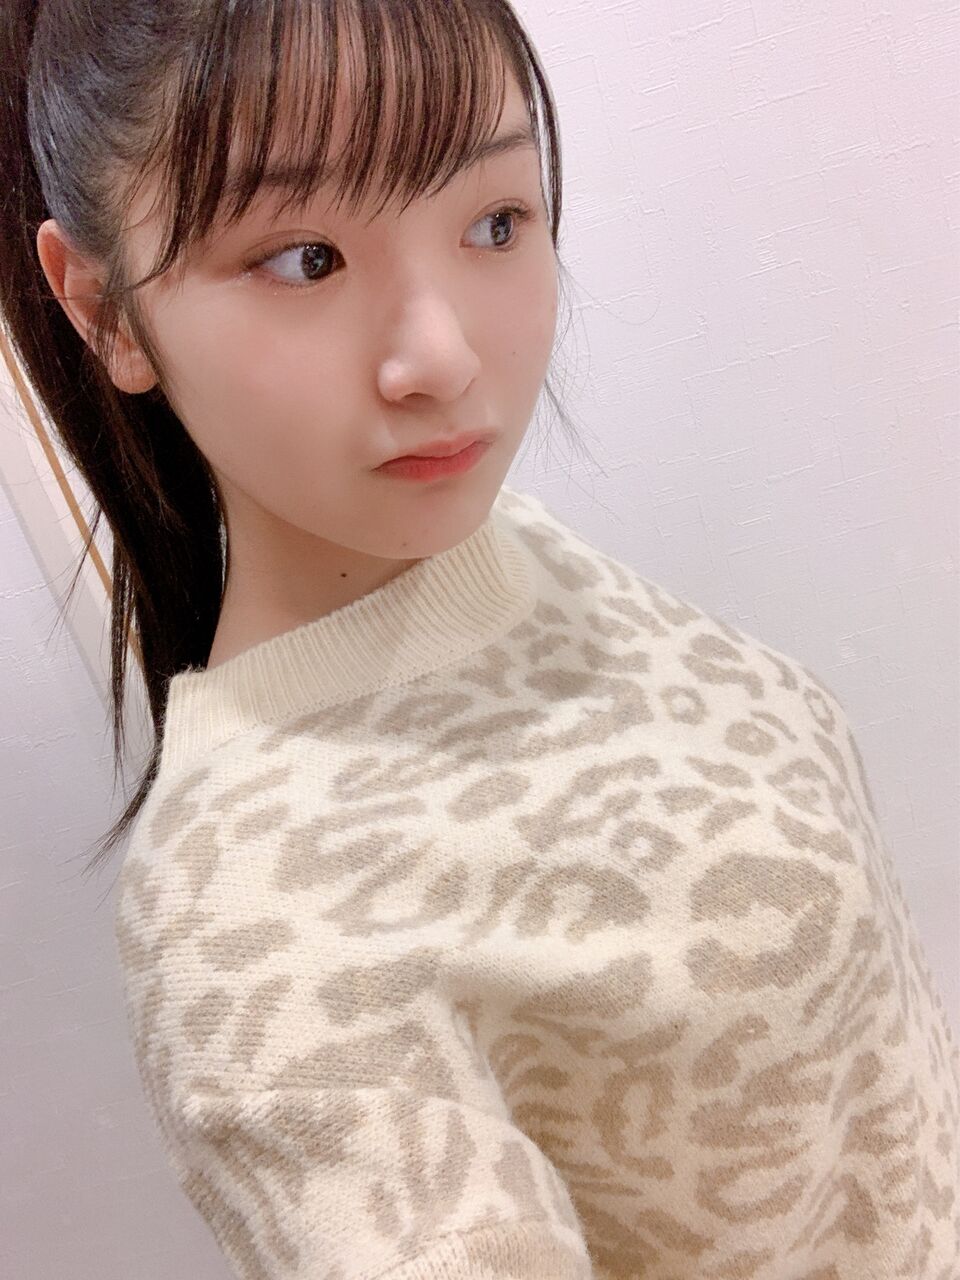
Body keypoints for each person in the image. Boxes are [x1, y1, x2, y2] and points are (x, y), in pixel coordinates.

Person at [1, 2, 957, 1277]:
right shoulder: (260, 926)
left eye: (495, 222)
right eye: (306, 259)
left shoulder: (508, 558)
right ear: (105, 310)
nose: (442, 357)